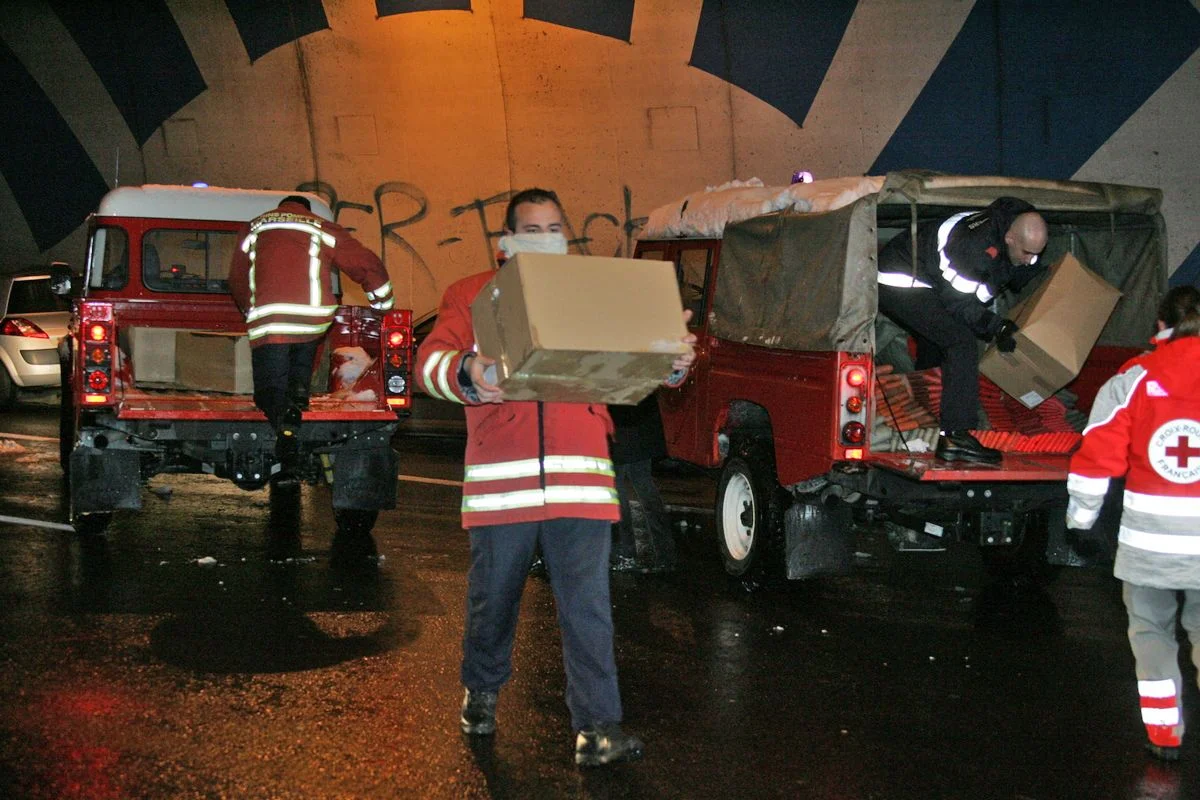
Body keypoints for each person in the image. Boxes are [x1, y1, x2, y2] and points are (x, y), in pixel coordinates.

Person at [415, 188, 696, 767]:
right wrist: (469, 369)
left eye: (552, 228)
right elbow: (428, 365)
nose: (544, 237)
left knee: (588, 608)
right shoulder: (471, 296)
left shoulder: (589, 293)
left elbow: (637, 360)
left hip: (581, 482)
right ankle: (482, 690)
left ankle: (597, 729)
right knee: (494, 603)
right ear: (506, 241)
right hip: (503, 483)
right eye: (532, 228)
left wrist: (671, 361)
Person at [1065, 287, 1200, 762]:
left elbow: (1096, 456)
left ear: (1161, 325)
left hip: (1148, 548)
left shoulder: (1135, 378)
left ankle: (1165, 738)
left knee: (1150, 633)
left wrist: (1080, 521)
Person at [876, 197, 1048, 464]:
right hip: (901, 278)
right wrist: (996, 326)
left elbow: (1001, 276)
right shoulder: (972, 249)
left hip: (929, 275)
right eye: (1027, 253)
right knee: (960, 341)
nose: (1030, 260)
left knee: (936, 338)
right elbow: (960, 306)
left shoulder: (1014, 230)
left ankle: (928, 406)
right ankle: (955, 435)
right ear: (1010, 238)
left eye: (1036, 254)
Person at [228, 195, 394, 465]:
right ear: (305, 209)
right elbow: (365, 262)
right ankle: (298, 402)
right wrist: (382, 303)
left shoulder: (255, 227)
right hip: (313, 320)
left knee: (269, 391)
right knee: (298, 379)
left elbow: (237, 277)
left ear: (281, 207)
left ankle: (286, 425)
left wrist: (250, 309)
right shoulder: (321, 227)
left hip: (272, 320)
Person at [609, 393, 677, 573]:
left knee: (617, 490)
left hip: (621, 426)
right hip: (642, 425)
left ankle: (626, 553)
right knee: (644, 485)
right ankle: (665, 555)